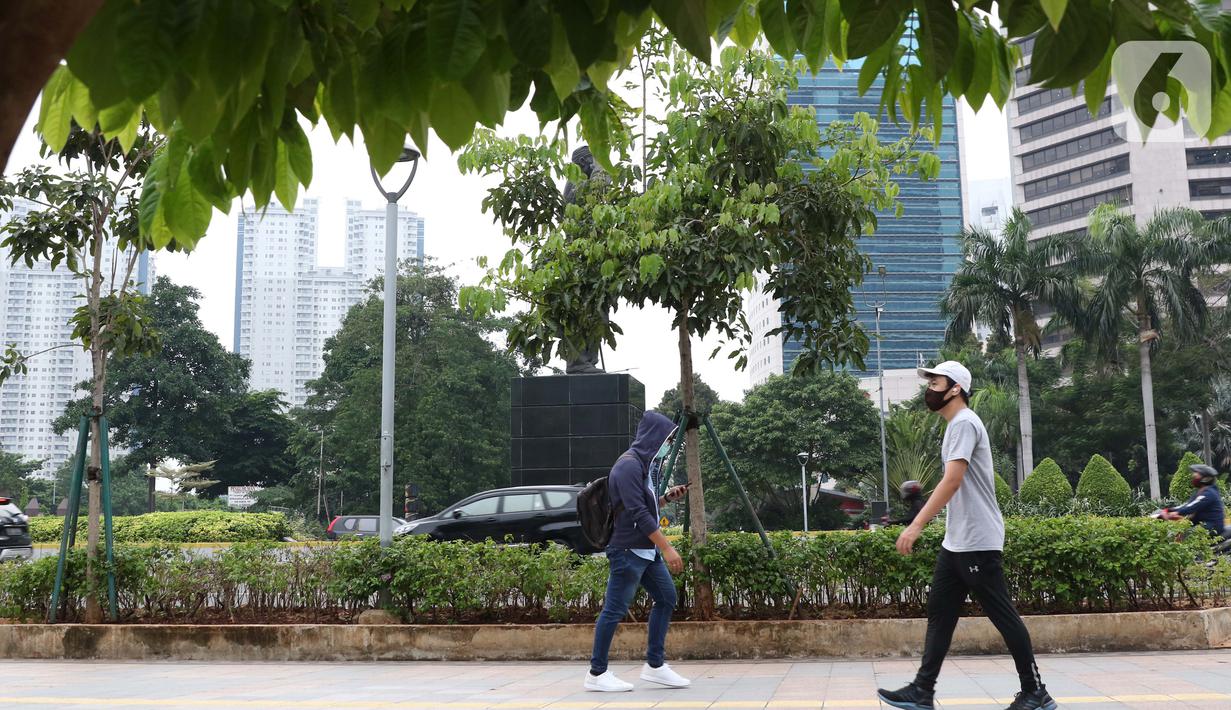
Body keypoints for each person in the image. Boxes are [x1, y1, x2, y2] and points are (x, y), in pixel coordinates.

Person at [876, 361, 1056, 710]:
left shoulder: (963, 423)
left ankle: (1035, 690)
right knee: (940, 614)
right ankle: (922, 691)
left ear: (955, 388)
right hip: (957, 542)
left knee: (1003, 615)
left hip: (977, 541)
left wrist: (915, 525)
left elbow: (952, 481)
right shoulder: (956, 425)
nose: (929, 388)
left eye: (936, 382)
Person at [585, 411, 691, 692]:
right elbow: (638, 514)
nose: (668, 445)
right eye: (667, 439)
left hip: (644, 550)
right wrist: (666, 547)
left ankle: (655, 666)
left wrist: (667, 498)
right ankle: (597, 673)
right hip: (627, 550)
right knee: (614, 609)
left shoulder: (643, 467)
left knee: (667, 598)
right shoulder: (628, 466)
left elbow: (643, 504)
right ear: (653, 438)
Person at [1162, 463, 1227, 539]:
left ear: (1205, 479)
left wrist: (1177, 512)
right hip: (1202, 524)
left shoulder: (1209, 493)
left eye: (1196, 475)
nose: (1193, 476)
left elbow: (1192, 507)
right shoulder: (1199, 492)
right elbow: (1187, 504)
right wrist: (1169, 510)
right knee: (1178, 532)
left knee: (1185, 536)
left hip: (1212, 526)